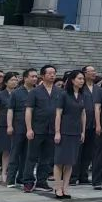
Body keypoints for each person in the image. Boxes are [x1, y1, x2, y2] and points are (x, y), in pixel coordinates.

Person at [23, 64, 59, 192]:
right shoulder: (35, 91)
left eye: (54, 73)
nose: (52, 75)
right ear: (42, 76)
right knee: (32, 156)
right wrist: (29, 129)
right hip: (37, 129)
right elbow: (28, 111)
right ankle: (28, 181)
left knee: (47, 157)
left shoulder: (59, 91)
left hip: (52, 130)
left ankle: (41, 181)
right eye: (49, 73)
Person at [52, 70, 87, 200]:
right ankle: (57, 187)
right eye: (79, 78)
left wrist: (83, 131)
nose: (82, 81)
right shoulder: (64, 95)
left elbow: (83, 114)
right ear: (72, 80)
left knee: (70, 162)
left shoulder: (83, 96)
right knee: (60, 161)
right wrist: (57, 132)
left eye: (83, 78)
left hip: (76, 131)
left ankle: (66, 187)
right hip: (64, 131)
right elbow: (58, 114)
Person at [6, 69, 37, 187]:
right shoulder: (16, 92)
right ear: (25, 78)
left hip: (33, 127)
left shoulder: (36, 92)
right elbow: (10, 110)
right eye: (32, 76)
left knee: (28, 154)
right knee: (15, 152)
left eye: (36, 77)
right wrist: (9, 125)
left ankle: (22, 177)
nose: (34, 79)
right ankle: (11, 178)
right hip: (18, 126)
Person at [0, 72, 18, 182]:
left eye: (15, 80)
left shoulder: (17, 94)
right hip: (0, 124)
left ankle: (4, 172)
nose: (14, 82)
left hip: (12, 125)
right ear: (6, 82)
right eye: (11, 80)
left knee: (7, 150)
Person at [76, 65, 97, 185]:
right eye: (91, 71)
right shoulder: (80, 88)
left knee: (89, 152)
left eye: (94, 71)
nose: (94, 73)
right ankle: (73, 176)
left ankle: (83, 175)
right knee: (78, 151)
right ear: (84, 73)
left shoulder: (98, 89)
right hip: (80, 124)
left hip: (94, 124)